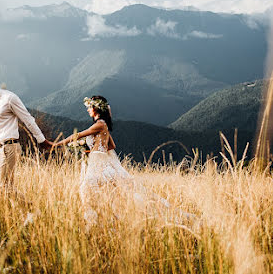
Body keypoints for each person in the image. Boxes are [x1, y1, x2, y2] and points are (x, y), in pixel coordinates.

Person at [54, 96, 194, 226]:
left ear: (96, 109)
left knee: (87, 188)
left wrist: (55, 144)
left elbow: (77, 135)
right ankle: (104, 218)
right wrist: (90, 148)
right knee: (104, 190)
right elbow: (112, 146)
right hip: (98, 159)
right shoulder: (103, 126)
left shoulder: (100, 124)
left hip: (98, 161)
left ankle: (97, 220)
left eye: (89, 107)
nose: (88, 110)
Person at [0, 71, 52, 192]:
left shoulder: (9, 98)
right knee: (6, 187)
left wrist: (41, 139)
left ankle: (29, 208)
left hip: (9, 147)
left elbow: (27, 119)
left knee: (2, 187)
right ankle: (26, 209)